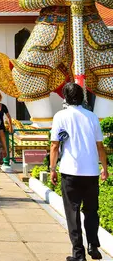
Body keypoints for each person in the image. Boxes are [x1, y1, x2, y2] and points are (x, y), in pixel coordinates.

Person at [50, 83, 109, 261]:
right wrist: (105, 168)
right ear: (82, 97)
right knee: (91, 210)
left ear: (65, 97)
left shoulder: (60, 116)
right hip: (91, 172)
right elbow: (100, 146)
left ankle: (78, 254)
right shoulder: (92, 117)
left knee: (72, 213)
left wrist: (52, 168)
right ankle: (93, 244)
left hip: (70, 171)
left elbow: (55, 145)